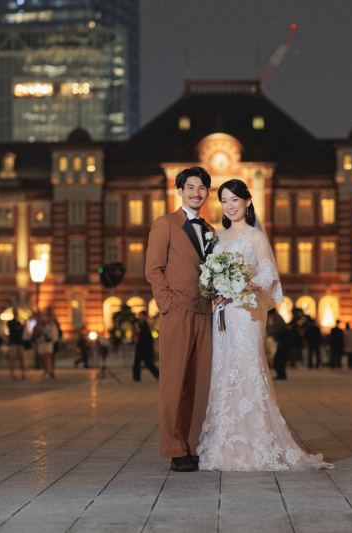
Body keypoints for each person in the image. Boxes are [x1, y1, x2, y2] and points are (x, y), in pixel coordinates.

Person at [197, 179, 332, 471]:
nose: (230, 206)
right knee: (224, 372)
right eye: (224, 201)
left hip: (246, 314)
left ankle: (260, 443)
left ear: (247, 201)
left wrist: (239, 284)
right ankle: (226, 445)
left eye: (235, 200)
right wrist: (216, 289)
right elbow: (211, 275)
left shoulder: (256, 237)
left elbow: (268, 276)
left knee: (247, 369)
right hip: (223, 316)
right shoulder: (218, 237)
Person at [144, 166, 215, 473]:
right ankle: (175, 448)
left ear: (207, 193)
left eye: (202, 188)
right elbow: (153, 269)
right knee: (174, 383)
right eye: (190, 188)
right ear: (180, 191)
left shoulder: (210, 230)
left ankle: (194, 445)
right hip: (177, 312)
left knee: (200, 384)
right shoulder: (166, 224)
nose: (196, 193)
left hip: (204, 313)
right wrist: (167, 304)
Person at [133, 311, 160, 381]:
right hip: (139, 347)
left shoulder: (146, 325)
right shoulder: (138, 324)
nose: (140, 317)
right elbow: (136, 335)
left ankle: (158, 374)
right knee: (137, 363)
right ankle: (136, 378)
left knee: (148, 363)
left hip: (146, 348)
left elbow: (147, 337)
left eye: (142, 316)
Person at [34, 311, 59, 380]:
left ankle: (48, 371)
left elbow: (51, 333)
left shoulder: (49, 324)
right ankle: (46, 370)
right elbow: (34, 334)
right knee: (42, 357)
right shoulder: (37, 325)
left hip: (48, 342)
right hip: (40, 342)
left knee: (47, 356)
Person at [6, 308, 27, 380]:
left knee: (21, 358)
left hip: (19, 342)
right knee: (12, 358)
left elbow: (21, 331)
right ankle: (12, 373)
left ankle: (23, 373)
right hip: (13, 342)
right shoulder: (10, 322)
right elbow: (14, 330)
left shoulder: (18, 322)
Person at [46, 306, 62, 378]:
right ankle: (48, 370)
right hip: (48, 340)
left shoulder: (55, 318)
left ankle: (52, 370)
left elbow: (58, 327)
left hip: (55, 339)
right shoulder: (45, 318)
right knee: (48, 355)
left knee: (54, 356)